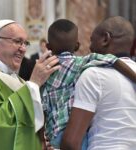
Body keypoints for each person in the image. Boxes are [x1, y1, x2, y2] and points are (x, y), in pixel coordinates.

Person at [40, 19, 136, 149]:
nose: (90, 47)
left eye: (91, 40)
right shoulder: (128, 71)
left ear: (105, 39)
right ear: (76, 45)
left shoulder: (93, 74)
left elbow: (70, 142)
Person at [0, 19, 60, 150]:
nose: (23, 49)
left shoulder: (18, 81)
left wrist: (40, 142)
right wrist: (34, 83)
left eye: (26, 43)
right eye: (17, 41)